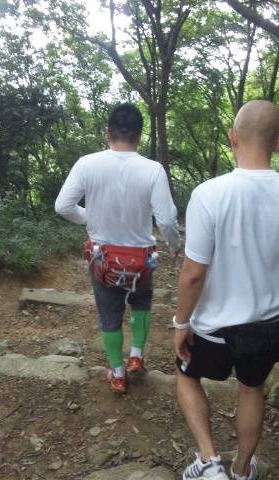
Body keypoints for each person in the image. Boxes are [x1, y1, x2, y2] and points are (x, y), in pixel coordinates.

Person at [173, 100, 279, 480]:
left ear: (233, 137)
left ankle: (209, 462)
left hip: (213, 325)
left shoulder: (209, 194)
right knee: (251, 390)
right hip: (269, 324)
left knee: (187, 377)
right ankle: (242, 470)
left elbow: (193, 274)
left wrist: (181, 323)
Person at [55, 102, 180, 395]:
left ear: (108, 132)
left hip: (103, 259)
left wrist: (90, 217)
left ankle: (118, 373)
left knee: (109, 315)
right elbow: (166, 219)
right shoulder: (153, 170)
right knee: (141, 304)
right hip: (141, 260)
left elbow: (63, 206)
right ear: (139, 135)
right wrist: (174, 245)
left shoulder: (87, 164)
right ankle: (136, 355)